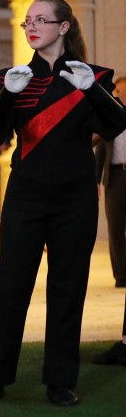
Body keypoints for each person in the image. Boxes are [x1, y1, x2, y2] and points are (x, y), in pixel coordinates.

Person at [0, 0, 126, 407]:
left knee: (68, 288)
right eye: (26, 21)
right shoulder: (9, 78)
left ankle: (60, 381)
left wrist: (94, 91)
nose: (31, 27)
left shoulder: (96, 77)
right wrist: (5, 97)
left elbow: (117, 124)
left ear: (64, 27)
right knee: (10, 288)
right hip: (26, 195)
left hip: (75, 197)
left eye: (40, 20)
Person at [94, 76, 126, 288]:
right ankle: (121, 275)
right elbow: (98, 150)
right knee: (115, 226)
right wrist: (95, 181)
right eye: (119, 92)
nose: (123, 96)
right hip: (114, 176)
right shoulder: (109, 117)